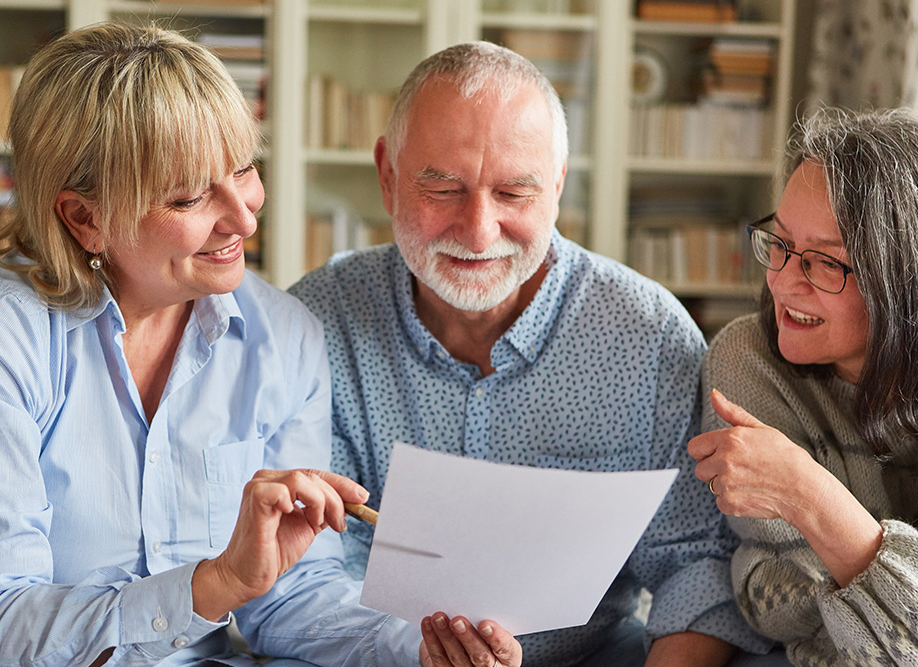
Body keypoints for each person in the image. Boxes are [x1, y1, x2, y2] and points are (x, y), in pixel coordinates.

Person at [0, 23, 521, 667]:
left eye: (244, 169)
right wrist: (215, 584)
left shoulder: (282, 334)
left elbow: (293, 598)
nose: (243, 216)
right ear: (85, 219)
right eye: (189, 195)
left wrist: (424, 652)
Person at [289, 41, 772, 667]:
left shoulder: (648, 338)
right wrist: (411, 652)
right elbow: (299, 579)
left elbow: (694, 568)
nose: (479, 231)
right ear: (387, 174)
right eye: (443, 188)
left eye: (515, 194)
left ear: (558, 185)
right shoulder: (316, 324)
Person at [689, 107, 918, 666]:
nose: (785, 282)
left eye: (826, 263)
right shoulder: (748, 363)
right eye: (782, 242)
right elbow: (773, 605)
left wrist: (805, 491)